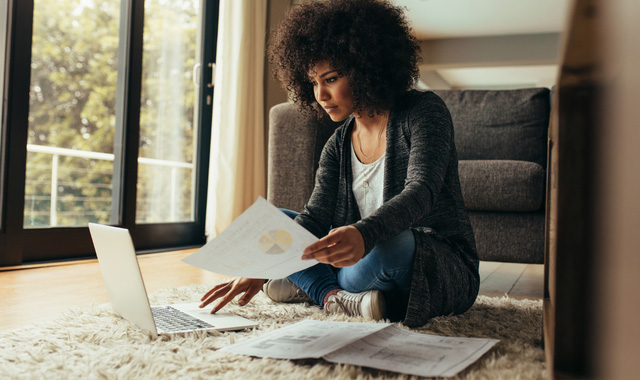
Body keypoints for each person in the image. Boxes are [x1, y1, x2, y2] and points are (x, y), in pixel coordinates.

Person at [199, 0, 479, 327]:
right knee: (279, 224)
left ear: (365, 67)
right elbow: (315, 219)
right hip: (357, 264)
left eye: (330, 79)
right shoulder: (337, 143)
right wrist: (260, 268)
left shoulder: (423, 111)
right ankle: (338, 299)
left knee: (388, 245)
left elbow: (422, 191)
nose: (320, 94)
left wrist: (364, 234)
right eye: (313, 82)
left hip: (429, 261)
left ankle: (315, 285)